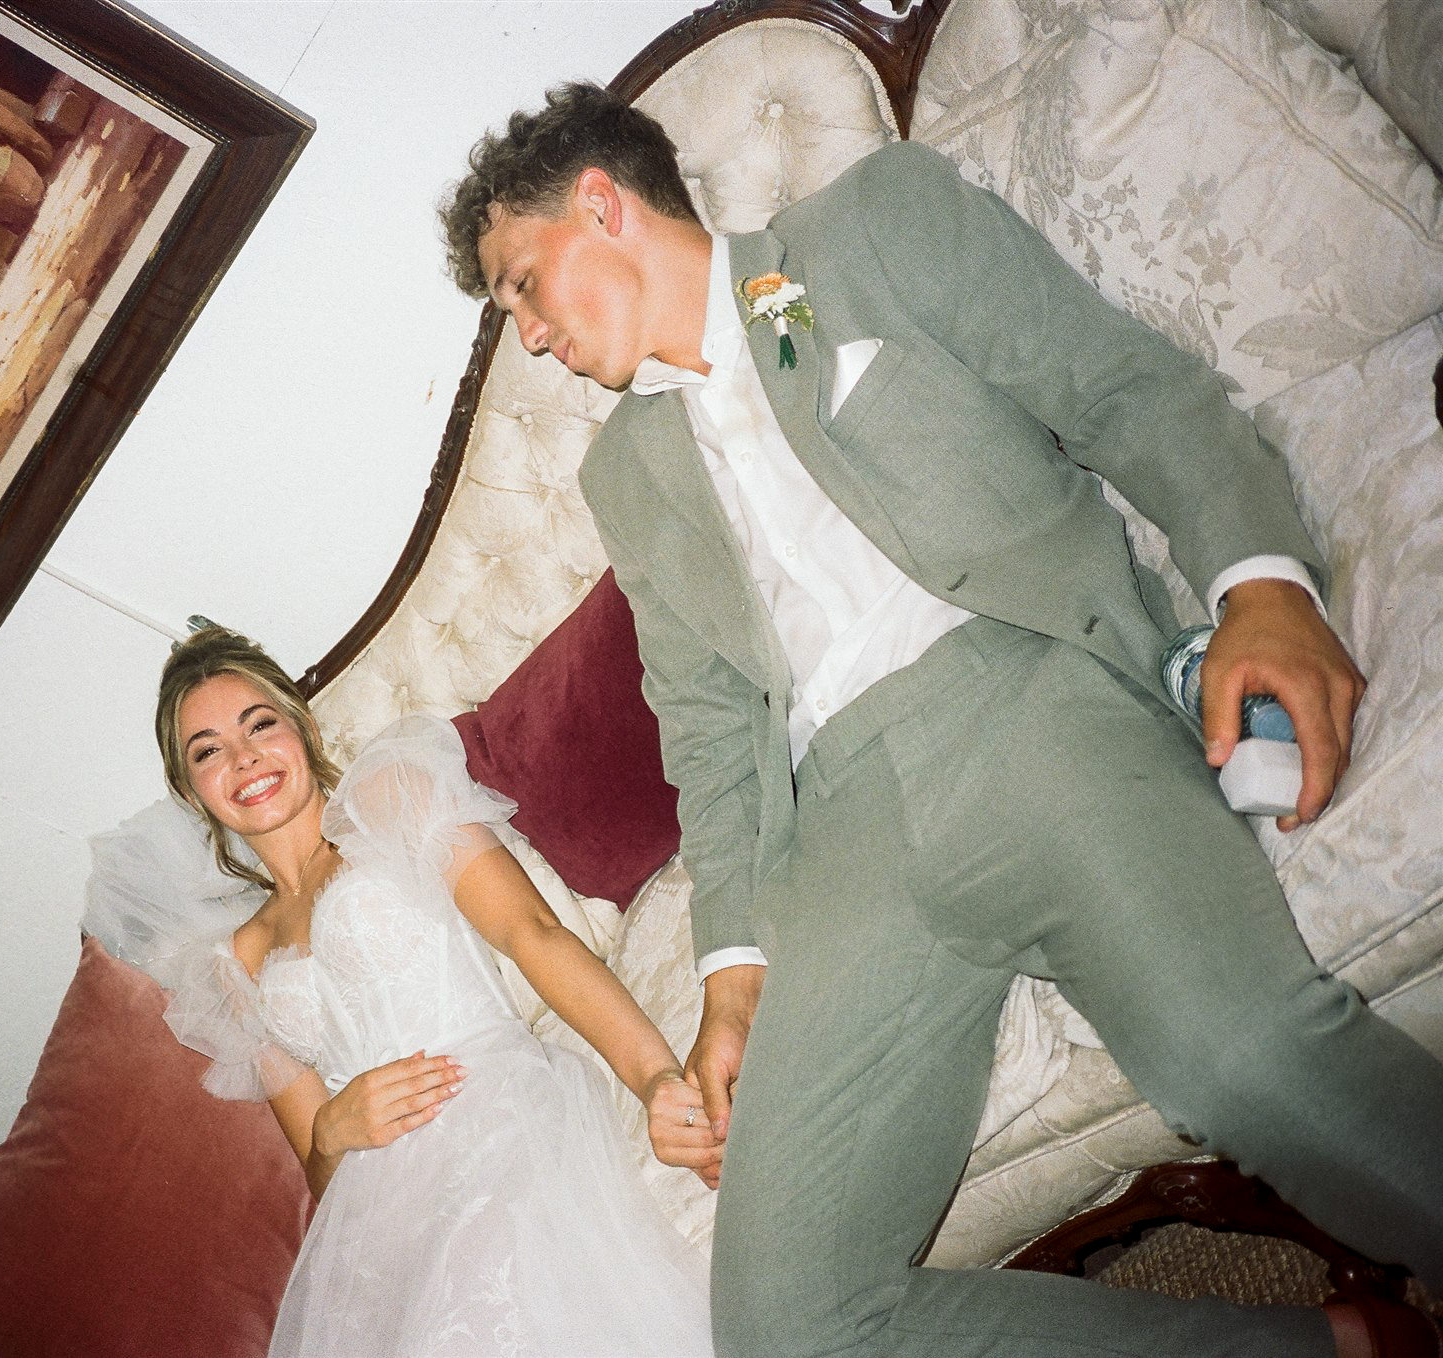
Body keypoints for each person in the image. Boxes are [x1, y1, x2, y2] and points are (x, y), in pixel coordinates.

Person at [440, 83, 1443, 1358]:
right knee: (785, 1331)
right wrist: (729, 976)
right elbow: (705, 723)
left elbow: (1121, 389)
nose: (527, 335)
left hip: (1030, 697)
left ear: (599, 205)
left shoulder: (870, 227)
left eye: (521, 285)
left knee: (1243, 1060)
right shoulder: (624, 474)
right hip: (841, 846)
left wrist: (1262, 589)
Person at [86, 625, 713, 1358]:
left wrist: (656, 1079)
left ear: (302, 727)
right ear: (190, 791)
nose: (244, 757)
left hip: (488, 1109)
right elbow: (320, 1164)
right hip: (374, 1215)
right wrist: (333, 1130)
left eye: (259, 725)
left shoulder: (392, 799)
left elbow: (533, 934)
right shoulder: (236, 962)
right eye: (207, 751)